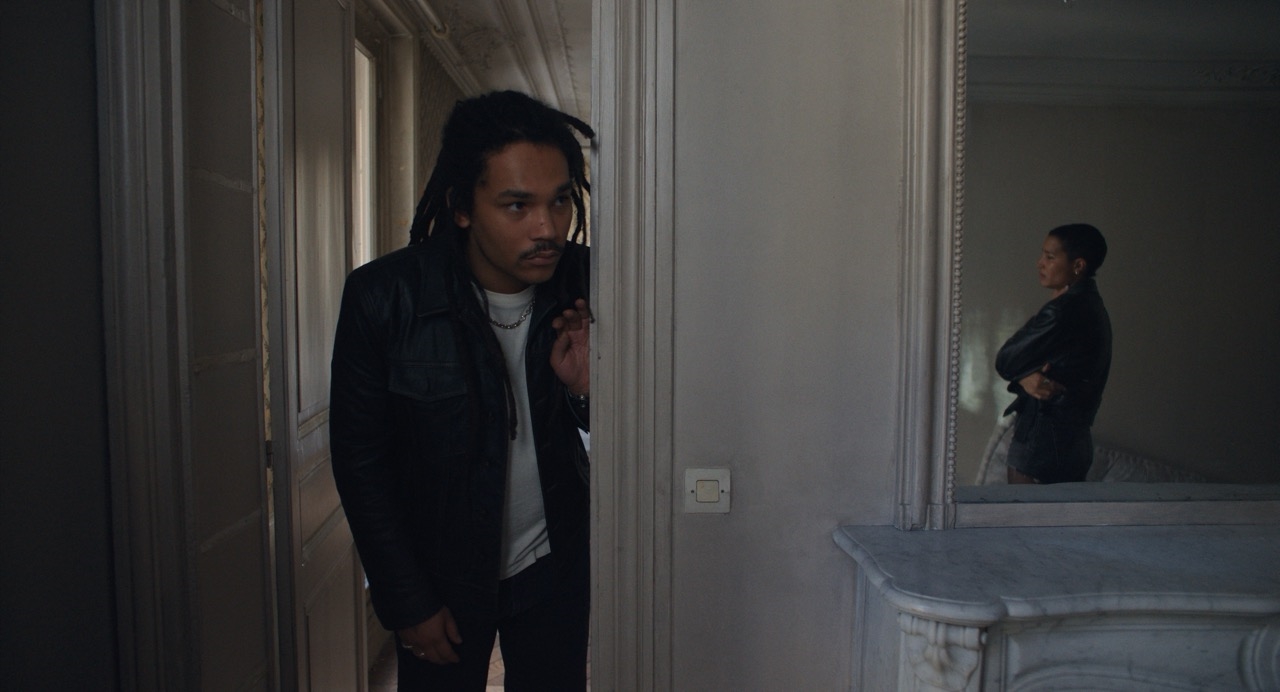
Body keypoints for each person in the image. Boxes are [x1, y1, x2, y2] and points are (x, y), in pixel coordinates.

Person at [329, 90, 594, 690]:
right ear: (461, 208)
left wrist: (584, 393)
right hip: (439, 579)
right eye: (518, 205)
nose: (547, 228)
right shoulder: (385, 297)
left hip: (554, 569)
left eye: (559, 201)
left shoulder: (590, 281)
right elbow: (362, 461)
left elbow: (634, 435)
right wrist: (406, 599)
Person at [995, 223, 1112, 484]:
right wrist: (1027, 377)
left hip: (1043, 438)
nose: (1040, 263)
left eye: (1050, 257)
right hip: (1073, 440)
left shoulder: (1063, 310)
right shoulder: (1092, 305)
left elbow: (1005, 359)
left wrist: (1023, 374)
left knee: (1025, 509)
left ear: (1078, 266)